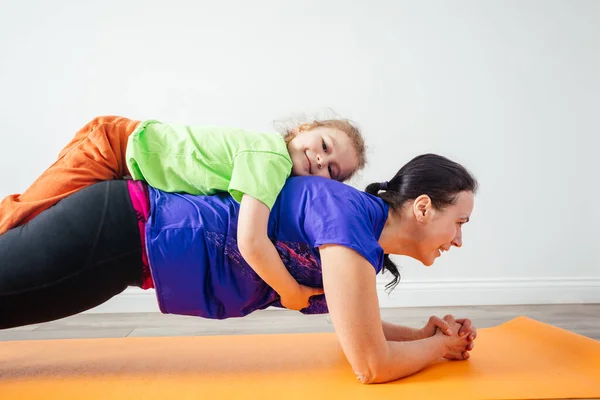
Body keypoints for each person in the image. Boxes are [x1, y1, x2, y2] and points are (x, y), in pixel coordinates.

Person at [0, 153, 478, 384]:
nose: (458, 239)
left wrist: (424, 336)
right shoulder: (347, 224)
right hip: (120, 228)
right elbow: (370, 365)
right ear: (421, 208)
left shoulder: (358, 242)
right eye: (457, 222)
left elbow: (358, 331)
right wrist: (439, 348)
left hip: (125, 245)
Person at [0, 115, 366, 310]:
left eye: (331, 170)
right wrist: (290, 292)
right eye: (324, 145)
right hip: (111, 147)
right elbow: (251, 241)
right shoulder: (270, 157)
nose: (321, 160)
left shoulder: (271, 167)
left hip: (119, 154)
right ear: (304, 129)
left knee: (28, 229)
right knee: (23, 220)